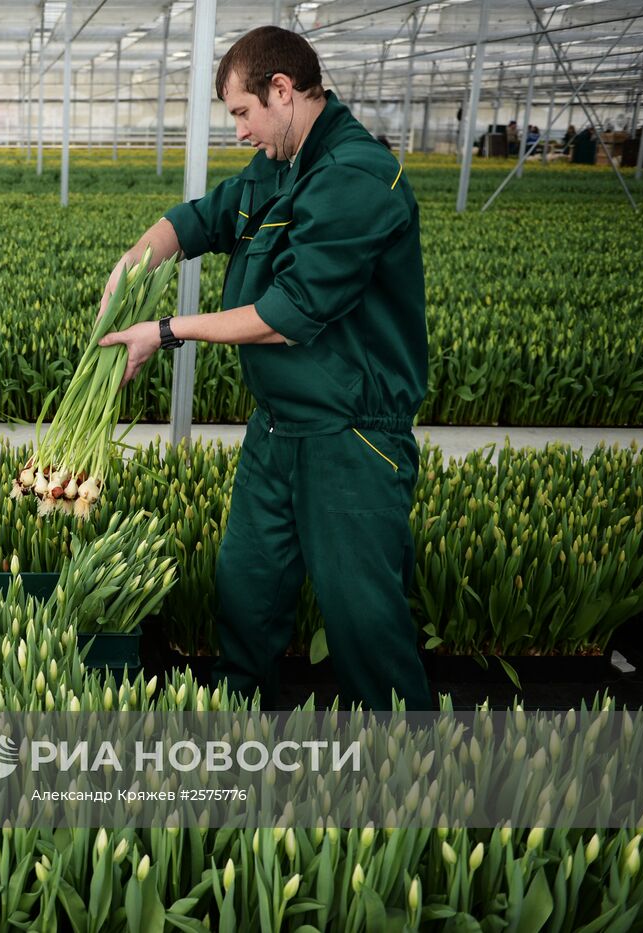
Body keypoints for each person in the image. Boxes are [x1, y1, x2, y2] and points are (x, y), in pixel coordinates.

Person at [96, 25, 434, 712]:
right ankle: (237, 725)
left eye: (243, 113)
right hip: (278, 427)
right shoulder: (282, 163)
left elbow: (286, 315)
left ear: (282, 91)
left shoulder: (355, 178)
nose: (240, 131)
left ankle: (413, 771)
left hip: (349, 436)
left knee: (363, 618)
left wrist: (163, 330)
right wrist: (131, 264)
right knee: (248, 587)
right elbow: (203, 219)